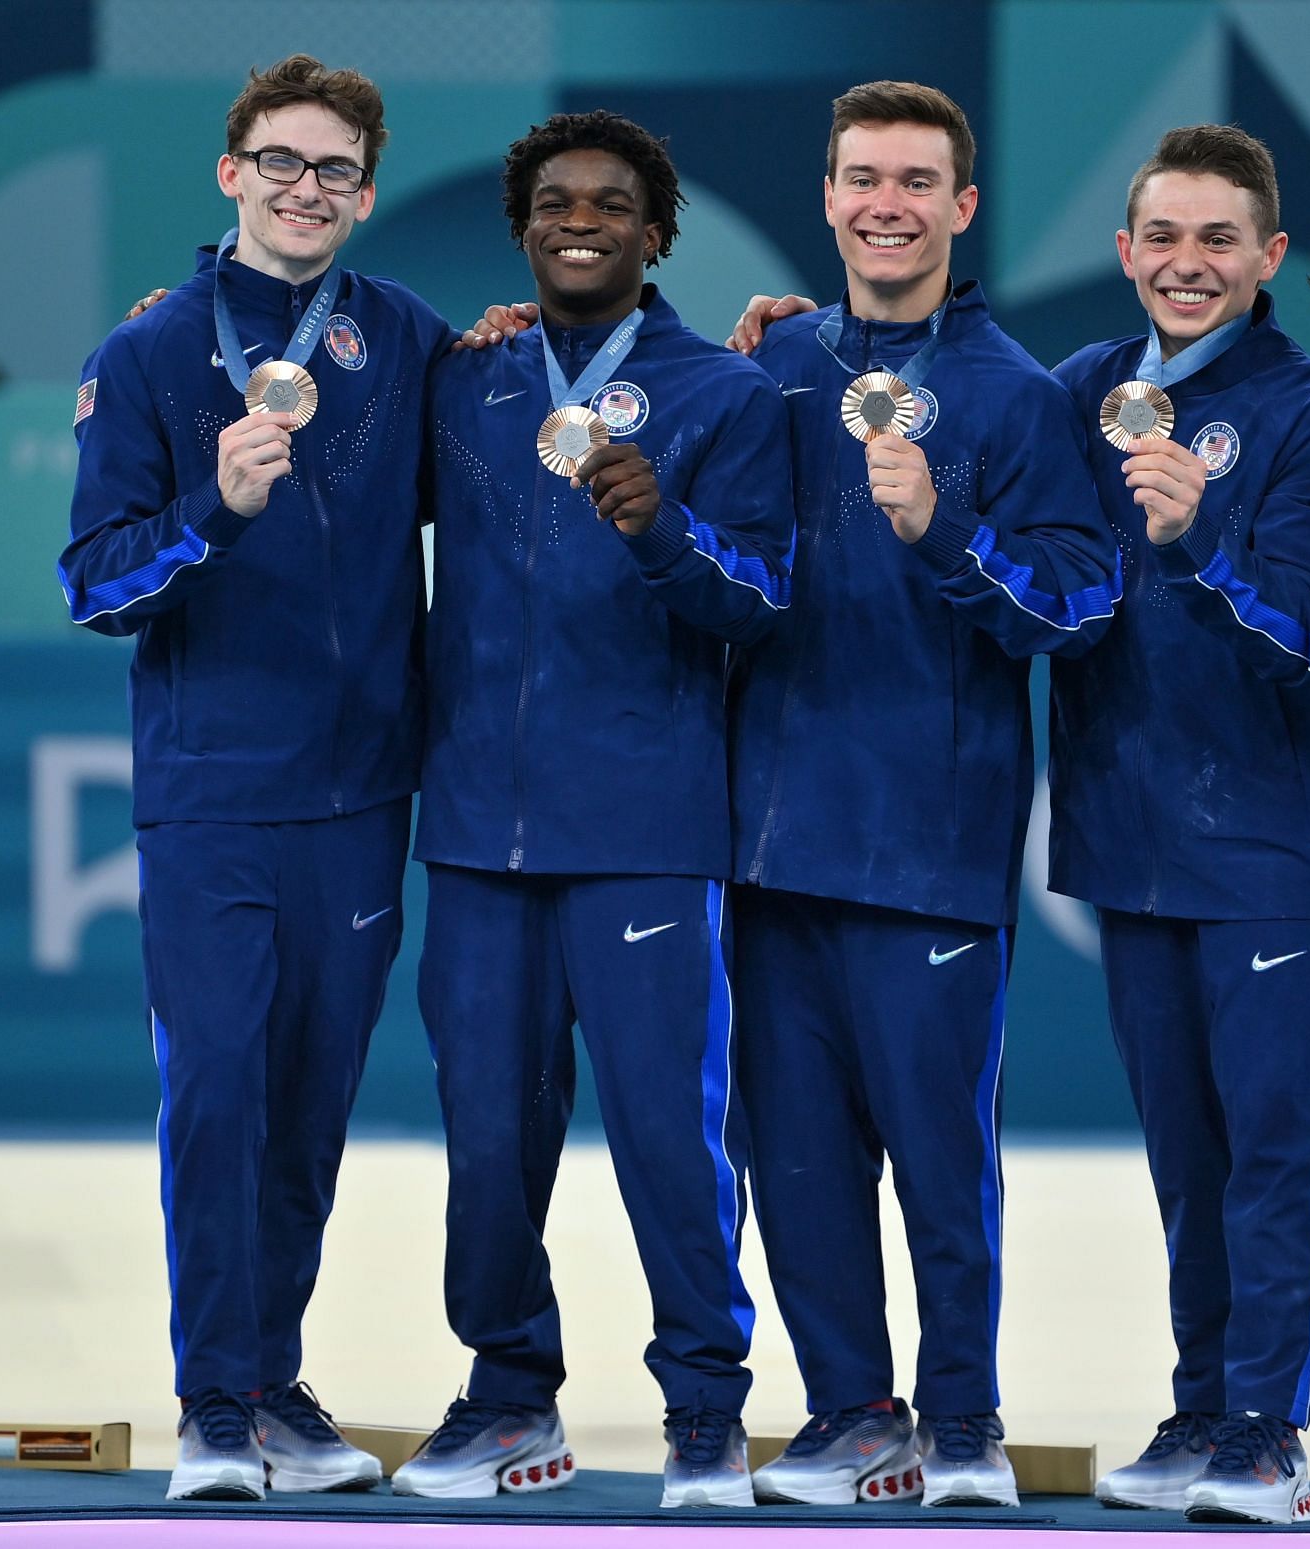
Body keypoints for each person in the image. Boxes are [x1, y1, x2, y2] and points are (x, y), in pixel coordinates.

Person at [701, 80, 1119, 1509]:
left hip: (930, 841)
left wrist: (948, 529)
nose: (887, 203)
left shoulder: (1019, 392)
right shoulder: (766, 370)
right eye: (862, 177)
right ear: (826, 198)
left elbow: (1074, 600)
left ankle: (965, 1423)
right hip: (767, 840)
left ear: (963, 207)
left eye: (915, 181)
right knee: (798, 1163)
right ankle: (850, 1415)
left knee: (941, 1160)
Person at [59, 55, 454, 1502]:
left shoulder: (402, 337)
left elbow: (524, 447)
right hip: (215, 788)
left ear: (364, 190)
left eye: (337, 170)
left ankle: (270, 1377)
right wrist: (213, 512)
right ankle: (213, 1402)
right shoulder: (152, 352)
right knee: (218, 1089)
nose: (307, 190)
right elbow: (99, 585)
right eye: (282, 163)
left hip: (360, 794)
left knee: (308, 1100)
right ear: (232, 173)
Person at [388, 111, 793, 1508]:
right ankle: (510, 1396)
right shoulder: (468, 383)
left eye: (611, 204)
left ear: (654, 232)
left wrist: (663, 529)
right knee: (487, 1140)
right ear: (523, 226)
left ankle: (703, 1410)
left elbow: (757, 602)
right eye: (556, 201)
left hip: (645, 831)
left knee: (672, 1137)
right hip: (481, 834)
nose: (581, 220)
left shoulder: (719, 397)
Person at [1043, 125, 1310, 1526]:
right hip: (1129, 839)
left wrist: (1201, 536)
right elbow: (943, 408)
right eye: (1164, 239)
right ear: (1126, 252)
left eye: (1218, 240)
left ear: (1269, 259)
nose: (1190, 265)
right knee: (1187, 1160)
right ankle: (1200, 1407)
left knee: (1272, 1148)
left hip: (1267, 844)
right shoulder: (1077, 392)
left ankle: (1267, 1428)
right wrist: (792, 333)